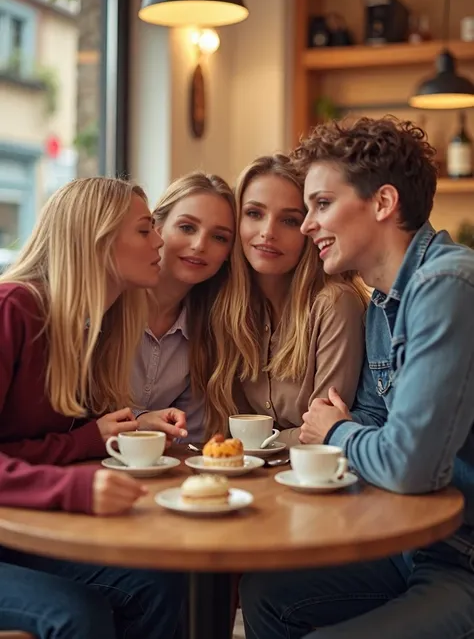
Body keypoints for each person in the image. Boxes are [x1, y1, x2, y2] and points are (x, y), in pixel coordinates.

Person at [240, 117, 474, 639]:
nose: (305, 226)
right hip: (415, 544)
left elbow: (410, 465)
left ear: (383, 202)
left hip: (464, 556)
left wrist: (336, 432)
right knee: (267, 593)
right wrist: (350, 430)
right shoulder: (382, 304)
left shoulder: (447, 285)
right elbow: (371, 419)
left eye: (321, 205)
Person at [0, 177, 184, 639]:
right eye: (145, 230)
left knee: (163, 584)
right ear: (97, 240)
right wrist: (74, 489)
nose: (161, 240)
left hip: (15, 531)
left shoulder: (84, 329)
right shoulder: (12, 308)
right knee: (75, 614)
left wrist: (115, 430)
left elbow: (18, 445)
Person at [209, 154, 367, 446]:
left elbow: (322, 432)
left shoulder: (335, 304)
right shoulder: (227, 306)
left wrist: (249, 444)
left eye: (289, 220)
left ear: (309, 228)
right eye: (254, 213)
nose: (268, 232)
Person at [132, 172, 236, 441]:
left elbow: (191, 439)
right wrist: (138, 420)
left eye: (219, 237)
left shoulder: (211, 328)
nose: (200, 245)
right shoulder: (109, 306)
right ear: (155, 228)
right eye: (187, 228)